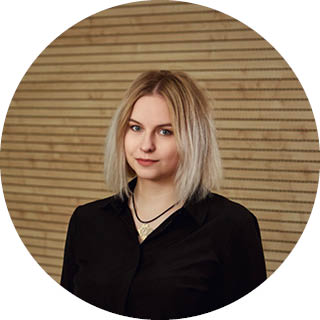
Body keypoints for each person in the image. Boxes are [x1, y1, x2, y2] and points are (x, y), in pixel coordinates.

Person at [60, 70, 266, 319]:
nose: (146, 145)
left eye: (165, 131)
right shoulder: (87, 220)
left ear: (193, 138)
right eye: (135, 128)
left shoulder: (232, 226)